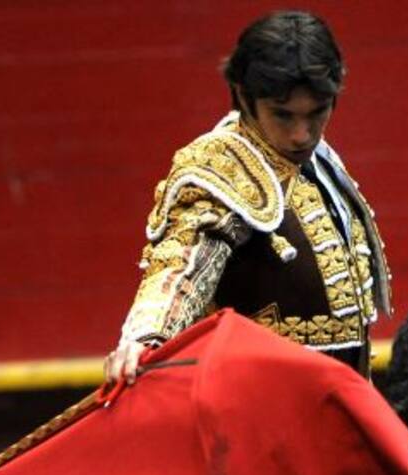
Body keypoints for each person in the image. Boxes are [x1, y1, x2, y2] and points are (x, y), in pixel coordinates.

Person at [105, 10, 391, 384]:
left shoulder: (319, 163)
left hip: (335, 399)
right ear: (244, 95)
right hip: (257, 402)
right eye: (283, 115)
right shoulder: (223, 165)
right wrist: (146, 338)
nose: (302, 134)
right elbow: (183, 260)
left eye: (317, 113)